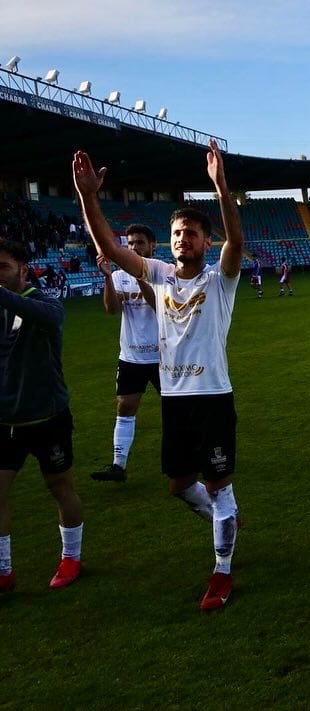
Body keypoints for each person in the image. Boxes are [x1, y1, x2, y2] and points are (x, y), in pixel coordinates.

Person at [74, 139, 246, 611]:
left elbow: (236, 242)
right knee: (177, 485)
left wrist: (220, 187)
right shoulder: (159, 275)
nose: (182, 238)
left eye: (191, 232)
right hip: (175, 399)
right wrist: (89, 196)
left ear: (205, 242)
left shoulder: (219, 280)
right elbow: (110, 246)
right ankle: (226, 521)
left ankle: (222, 572)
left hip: (212, 396)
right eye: (177, 233)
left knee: (218, 485)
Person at [0, 238, 84, 593]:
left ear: (23, 268)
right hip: (6, 421)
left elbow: (49, 317)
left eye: (2, 267)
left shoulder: (44, 302)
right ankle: (3, 569)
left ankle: (71, 557)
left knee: (60, 487)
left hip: (47, 417)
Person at [91, 225, 160, 483]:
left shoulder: (162, 272)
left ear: (152, 245)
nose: (133, 248)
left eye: (140, 243)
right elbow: (111, 309)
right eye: (130, 243)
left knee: (178, 408)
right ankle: (118, 465)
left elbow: (157, 306)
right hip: (131, 356)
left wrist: (139, 275)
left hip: (164, 356)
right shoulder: (119, 276)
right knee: (125, 406)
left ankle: (195, 454)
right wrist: (108, 277)